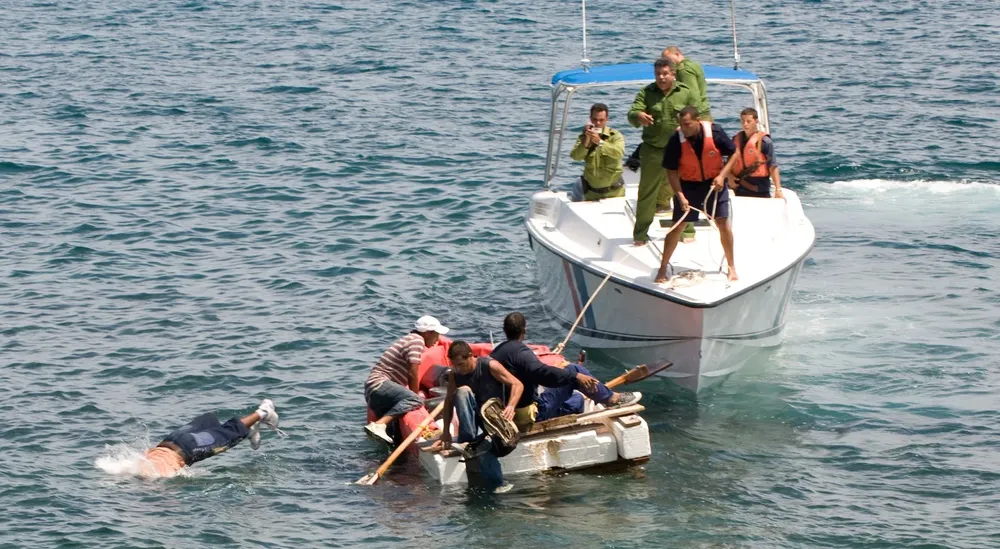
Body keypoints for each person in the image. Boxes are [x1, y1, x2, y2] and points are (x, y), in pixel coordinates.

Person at [490, 312, 641, 431]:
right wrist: (575, 376)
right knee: (573, 369)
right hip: (532, 415)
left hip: (509, 415)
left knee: (577, 400)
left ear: (504, 331)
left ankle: (588, 400)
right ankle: (612, 398)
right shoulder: (521, 352)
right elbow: (542, 373)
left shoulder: (496, 353)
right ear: (524, 330)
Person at [655, 106, 739, 284]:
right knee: (677, 226)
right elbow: (671, 172)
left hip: (714, 185)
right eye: (681, 125)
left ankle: (731, 266)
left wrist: (722, 176)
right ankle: (662, 267)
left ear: (697, 121)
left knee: (723, 223)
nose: (684, 129)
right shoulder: (676, 140)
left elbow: (735, 152)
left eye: (687, 124)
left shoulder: (714, 132)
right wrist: (680, 196)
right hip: (688, 185)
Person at [628, 57, 700, 246]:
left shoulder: (685, 92)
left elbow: (697, 116)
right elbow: (632, 113)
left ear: (673, 74)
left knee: (684, 190)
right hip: (653, 150)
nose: (661, 77)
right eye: (658, 74)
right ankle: (640, 234)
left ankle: (687, 229)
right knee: (647, 192)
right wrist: (638, 115)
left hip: (681, 150)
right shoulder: (647, 92)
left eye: (665, 74)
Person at [436, 340, 523, 490]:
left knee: (488, 449)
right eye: (455, 365)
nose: (458, 369)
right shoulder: (455, 374)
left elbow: (517, 384)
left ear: (470, 356)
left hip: (492, 419)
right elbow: (449, 401)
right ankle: (468, 441)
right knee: (462, 392)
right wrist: (445, 432)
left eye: (461, 364)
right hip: (473, 420)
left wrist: (511, 406)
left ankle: (497, 482)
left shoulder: (490, 366)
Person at [364, 315, 450, 445]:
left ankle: (384, 432)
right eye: (436, 334)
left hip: (373, 388)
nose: (438, 339)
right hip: (380, 384)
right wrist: (415, 397)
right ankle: (380, 424)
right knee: (416, 400)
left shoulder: (409, 338)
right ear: (427, 333)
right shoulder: (417, 341)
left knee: (391, 439)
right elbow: (412, 372)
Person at [141, 399, 282, 477]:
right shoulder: (135, 464)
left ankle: (263, 412)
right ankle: (250, 430)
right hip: (171, 440)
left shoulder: (155, 477)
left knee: (227, 436)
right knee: (210, 423)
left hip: (189, 448)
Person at [716, 107, 784, 199]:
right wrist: (729, 176)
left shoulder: (765, 142)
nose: (745, 124)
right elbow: (728, 162)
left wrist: (778, 189)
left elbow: (773, 166)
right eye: (743, 121)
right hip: (738, 187)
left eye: (748, 121)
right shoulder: (736, 140)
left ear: (756, 121)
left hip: (759, 189)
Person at [569, 103, 626, 201]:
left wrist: (600, 142)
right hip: (592, 194)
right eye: (595, 119)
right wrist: (586, 141)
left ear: (607, 119)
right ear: (590, 119)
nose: (598, 123)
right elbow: (576, 156)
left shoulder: (615, 135)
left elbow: (619, 152)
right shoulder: (584, 137)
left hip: (615, 193)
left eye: (601, 120)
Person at [661, 46, 712, 121]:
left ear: (677, 54)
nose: (668, 63)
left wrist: (692, 115)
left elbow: (692, 94)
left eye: (668, 59)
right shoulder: (693, 64)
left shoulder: (683, 70)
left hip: (696, 114)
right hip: (704, 109)